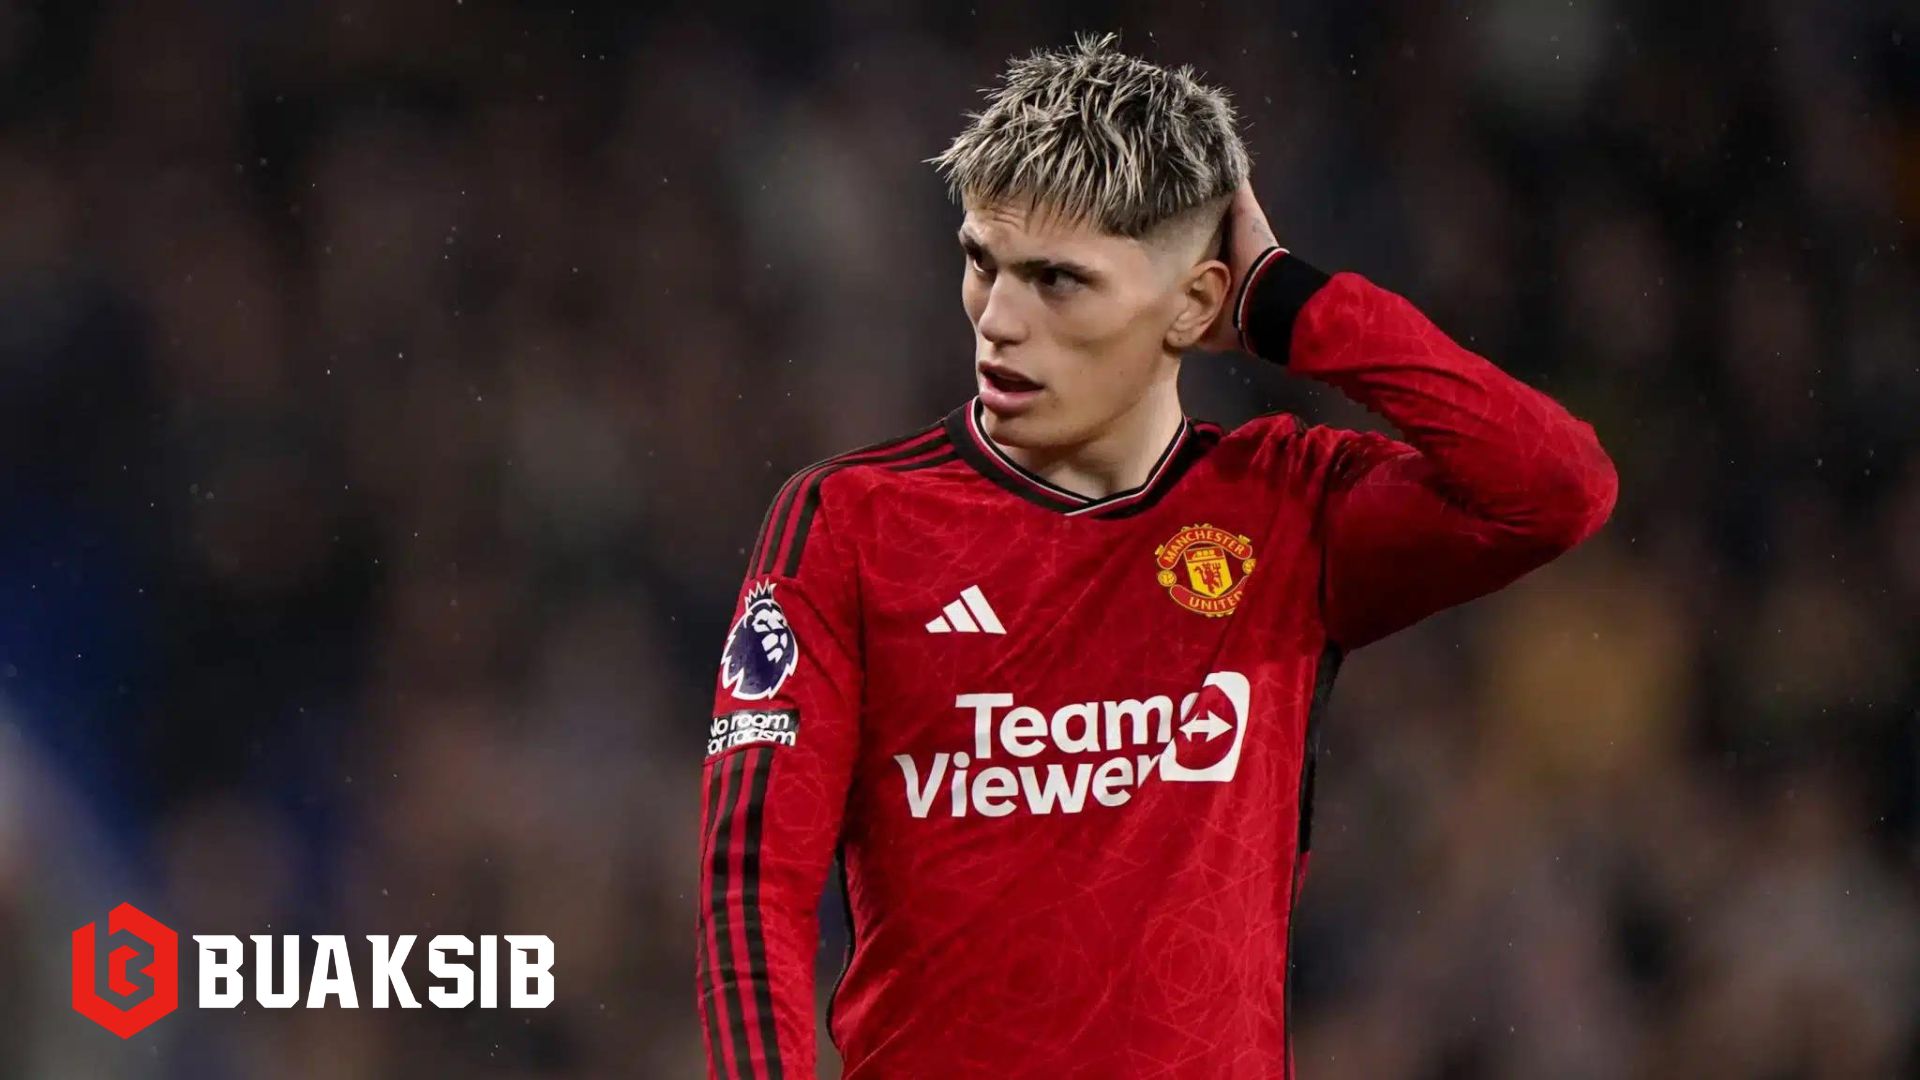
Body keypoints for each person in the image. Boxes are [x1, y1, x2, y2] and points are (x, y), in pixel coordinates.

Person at [697, 32, 1616, 1079]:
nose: (999, 321)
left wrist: (1291, 304)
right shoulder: (853, 523)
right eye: (982, 263)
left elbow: (1556, 488)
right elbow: (753, 882)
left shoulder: (1286, 511)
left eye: (1059, 281)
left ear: (1194, 302)